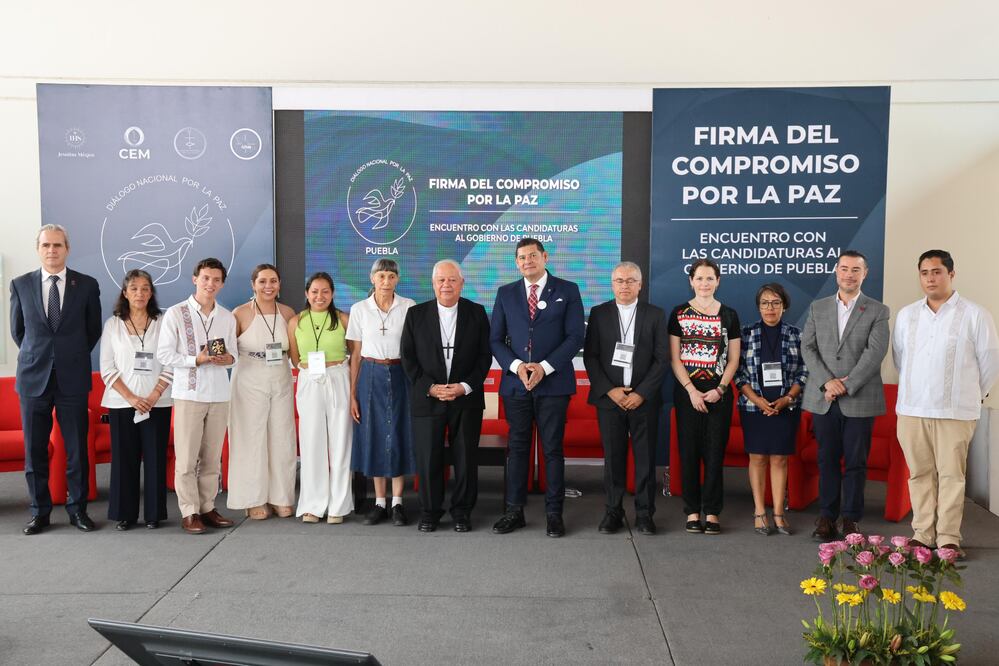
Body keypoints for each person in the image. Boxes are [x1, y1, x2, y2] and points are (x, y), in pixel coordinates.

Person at [893, 250, 999, 558]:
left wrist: (968, 396)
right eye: (924, 272)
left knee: (952, 476)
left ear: (951, 274)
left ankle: (949, 537)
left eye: (937, 272)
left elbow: (989, 362)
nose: (930, 278)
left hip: (955, 411)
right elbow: (901, 359)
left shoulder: (975, 314)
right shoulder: (907, 315)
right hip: (912, 409)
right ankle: (922, 533)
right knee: (919, 474)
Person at [490, 238, 585, 538]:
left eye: (533, 255)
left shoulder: (568, 290)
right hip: (516, 385)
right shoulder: (505, 293)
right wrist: (518, 367)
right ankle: (513, 511)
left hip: (554, 384)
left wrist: (544, 368)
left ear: (545, 257)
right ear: (516, 262)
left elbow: (574, 337)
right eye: (521, 257)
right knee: (517, 450)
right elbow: (495, 339)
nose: (527, 261)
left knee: (552, 450)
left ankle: (554, 514)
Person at [10, 224, 102, 535]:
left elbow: (93, 331)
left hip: (72, 379)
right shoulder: (20, 284)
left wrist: (69, 356)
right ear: (38, 249)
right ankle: (40, 513)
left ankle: (78, 511)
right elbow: (18, 332)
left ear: (67, 248)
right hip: (33, 379)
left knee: (76, 449)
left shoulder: (86, 285)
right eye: (46, 245)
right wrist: (42, 356)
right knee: (34, 451)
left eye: (58, 245)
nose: (52, 250)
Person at [801, 250, 890, 541]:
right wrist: (828, 382)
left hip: (859, 398)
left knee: (855, 463)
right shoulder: (818, 307)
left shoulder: (878, 310)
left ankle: (851, 519)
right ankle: (826, 517)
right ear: (836, 271)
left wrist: (846, 385)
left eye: (855, 270)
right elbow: (808, 348)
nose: (849, 274)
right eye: (844, 269)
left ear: (865, 274)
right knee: (826, 460)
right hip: (824, 398)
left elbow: (875, 353)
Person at [401, 260, 491, 533]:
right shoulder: (416, 314)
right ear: (433, 284)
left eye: (452, 280)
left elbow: (485, 357)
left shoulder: (477, 313)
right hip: (428, 398)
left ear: (462, 283)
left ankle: (462, 512)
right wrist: (430, 387)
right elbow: (408, 357)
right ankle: (430, 511)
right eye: (441, 280)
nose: (446, 285)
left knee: (465, 457)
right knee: (428, 457)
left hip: (465, 399)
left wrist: (465, 385)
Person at [583, 261, 668, 535]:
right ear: (612, 284)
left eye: (631, 280)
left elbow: (661, 358)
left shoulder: (655, 315)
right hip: (610, 399)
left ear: (640, 285)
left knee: (644, 458)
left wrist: (641, 393)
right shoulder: (599, 314)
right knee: (613, 458)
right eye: (619, 281)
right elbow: (591, 357)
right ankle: (613, 512)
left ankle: (644, 514)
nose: (625, 285)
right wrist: (611, 390)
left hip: (644, 400)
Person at [156, 258, 238, 535]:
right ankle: (189, 511)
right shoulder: (176, 314)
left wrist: (228, 358)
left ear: (222, 283)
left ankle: (207, 507)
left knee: (212, 458)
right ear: (195, 279)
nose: (210, 284)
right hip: (189, 394)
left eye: (216, 280)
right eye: (205, 278)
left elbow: (234, 356)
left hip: (218, 394)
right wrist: (197, 359)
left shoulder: (226, 316)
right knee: (187, 458)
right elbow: (164, 354)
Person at [668, 258, 741, 535]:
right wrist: (691, 391)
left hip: (718, 393)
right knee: (688, 453)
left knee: (714, 454)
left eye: (710, 278)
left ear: (718, 281)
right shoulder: (678, 313)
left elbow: (734, 359)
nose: (704, 283)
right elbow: (674, 359)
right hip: (687, 392)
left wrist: (720, 389)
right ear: (691, 281)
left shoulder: (729, 315)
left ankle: (712, 511)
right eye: (699, 278)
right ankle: (692, 511)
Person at [100, 270, 173, 530]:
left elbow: (171, 363)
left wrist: (153, 395)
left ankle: (154, 514)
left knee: (155, 458)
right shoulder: (113, 324)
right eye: (134, 288)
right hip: (122, 403)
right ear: (125, 293)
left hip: (159, 401)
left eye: (145, 288)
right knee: (124, 459)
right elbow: (107, 367)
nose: (139, 293)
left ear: (151, 292)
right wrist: (131, 397)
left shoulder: (164, 322)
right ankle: (125, 514)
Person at [347, 259, 416, 526]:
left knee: (398, 431)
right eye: (381, 276)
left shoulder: (408, 307)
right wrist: (353, 393)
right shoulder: (359, 309)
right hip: (370, 374)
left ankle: (398, 502)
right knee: (375, 432)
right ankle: (379, 502)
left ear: (397, 279)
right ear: (372, 278)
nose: (386, 281)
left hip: (401, 374)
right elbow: (355, 355)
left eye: (390, 276)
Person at [735, 283, 808, 536]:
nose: (770, 307)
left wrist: (788, 398)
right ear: (758, 306)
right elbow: (738, 371)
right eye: (765, 303)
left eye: (775, 302)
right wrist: (756, 399)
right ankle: (759, 511)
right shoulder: (746, 334)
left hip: (786, 406)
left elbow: (804, 370)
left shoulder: (796, 334)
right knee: (757, 458)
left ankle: (778, 512)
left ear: (784, 306)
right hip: (754, 407)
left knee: (779, 458)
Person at [227, 264, 297, 520]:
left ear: (279, 284)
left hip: (280, 376)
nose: (269, 286)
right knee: (251, 438)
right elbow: (228, 350)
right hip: (249, 377)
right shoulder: (240, 313)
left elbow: (295, 350)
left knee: (282, 437)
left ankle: (281, 497)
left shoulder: (288, 312)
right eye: (263, 281)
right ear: (253, 284)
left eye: (274, 281)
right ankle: (252, 498)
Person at [289, 272, 353, 524]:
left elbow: (355, 353)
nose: (320, 296)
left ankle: (338, 505)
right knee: (311, 442)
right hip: (309, 380)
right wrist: (311, 371)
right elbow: (294, 358)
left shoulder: (344, 320)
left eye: (325, 291)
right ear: (307, 293)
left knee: (340, 442)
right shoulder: (296, 321)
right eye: (315, 291)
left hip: (338, 378)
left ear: (333, 293)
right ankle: (313, 505)